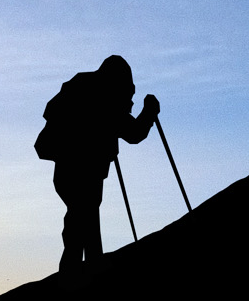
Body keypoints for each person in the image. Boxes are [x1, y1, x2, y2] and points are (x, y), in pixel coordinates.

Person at [34, 55, 158, 273]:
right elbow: (134, 133)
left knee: (82, 216)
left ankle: (85, 266)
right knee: (83, 215)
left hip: (68, 170)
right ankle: (80, 271)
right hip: (85, 170)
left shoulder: (84, 88)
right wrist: (149, 112)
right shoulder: (105, 99)